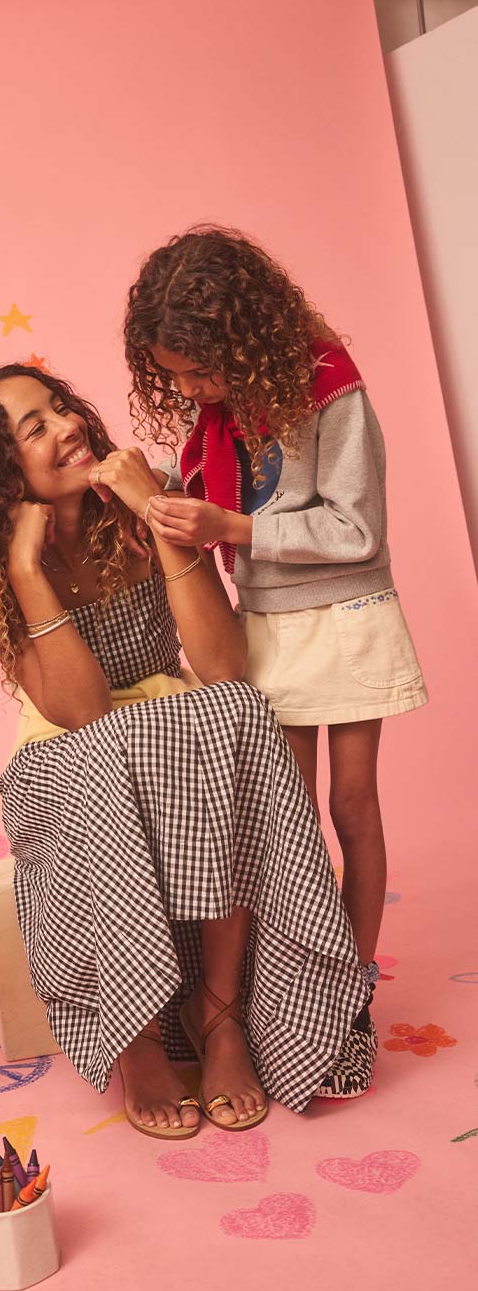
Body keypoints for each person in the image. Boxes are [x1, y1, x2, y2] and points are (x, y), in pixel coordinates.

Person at [0, 362, 369, 1140]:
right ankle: (136, 1039)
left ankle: (221, 1014)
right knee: (103, 752)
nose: (67, 426)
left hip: (167, 712)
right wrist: (28, 570)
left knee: (237, 710)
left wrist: (156, 514)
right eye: (36, 427)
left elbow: (222, 664)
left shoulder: (138, 500)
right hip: (67, 749)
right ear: (2, 472)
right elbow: (81, 709)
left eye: (62, 407)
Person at [123, 225, 428, 1096]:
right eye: (174, 375)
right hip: (270, 625)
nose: (187, 390)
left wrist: (233, 527)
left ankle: (350, 990)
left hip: (347, 616)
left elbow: (356, 528)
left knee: (352, 805)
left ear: (243, 340)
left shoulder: (331, 389)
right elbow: (205, 500)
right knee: (284, 825)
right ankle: (284, 989)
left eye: (197, 372)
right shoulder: (217, 414)